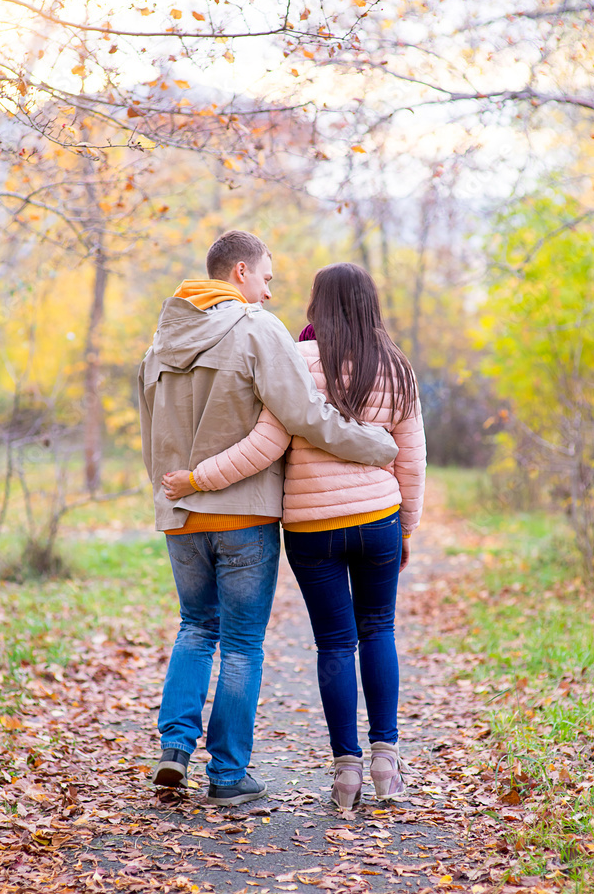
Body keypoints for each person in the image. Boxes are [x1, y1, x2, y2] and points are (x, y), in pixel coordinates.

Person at [138, 234, 399, 808]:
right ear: (240, 273)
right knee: (240, 644)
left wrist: (172, 491)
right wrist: (375, 448)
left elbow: (149, 431)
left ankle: (174, 751)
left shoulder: (160, 342)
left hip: (179, 510)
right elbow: (303, 415)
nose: (270, 288)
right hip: (243, 511)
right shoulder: (259, 329)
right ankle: (227, 775)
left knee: (194, 628)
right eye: (267, 276)